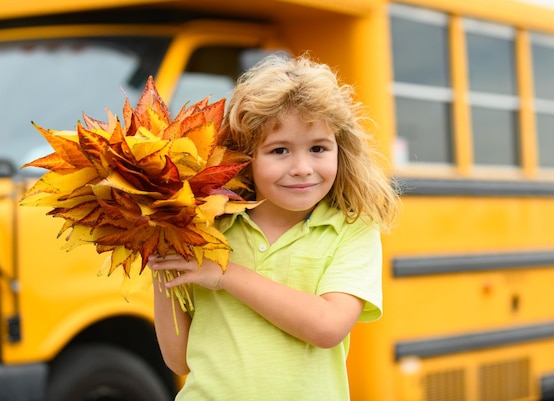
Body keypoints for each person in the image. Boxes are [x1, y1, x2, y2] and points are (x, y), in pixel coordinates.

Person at [149, 53, 399, 400]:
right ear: (244, 159)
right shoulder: (209, 227)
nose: (301, 167)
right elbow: (178, 360)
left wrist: (225, 275)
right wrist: (160, 255)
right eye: (279, 150)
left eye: (318, 148)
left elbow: (328, 327)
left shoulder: (350, 229)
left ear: (341, 151)